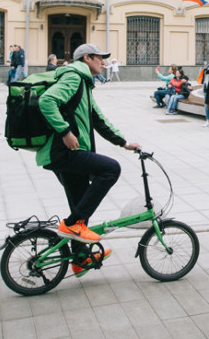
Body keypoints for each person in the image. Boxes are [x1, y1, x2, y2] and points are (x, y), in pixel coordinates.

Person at [37, 43, 139, 272]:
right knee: (111, 169)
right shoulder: (74, 78)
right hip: (64, 152)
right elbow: (47, 101)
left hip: (69, 153)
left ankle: (80, 259)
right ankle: (73, 225)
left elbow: (98, 119)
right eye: (99, 58)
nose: (103, 62)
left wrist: (123, 142)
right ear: (86, 58)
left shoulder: (84, 83)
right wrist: (65, 132)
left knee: (80, 206)